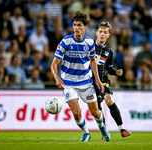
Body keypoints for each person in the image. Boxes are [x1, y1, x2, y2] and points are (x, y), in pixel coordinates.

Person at [51, 11, 110, 142]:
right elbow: (54, 64)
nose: (76, 28)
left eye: (79, 25)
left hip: (86, 82)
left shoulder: (89, 43)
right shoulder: (65, 42)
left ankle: (102, 126)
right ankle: (86, 132)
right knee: (77, 113)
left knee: (95, 112)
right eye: (74, 25)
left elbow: (93, 61)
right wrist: (57, 78)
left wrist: (98, 80)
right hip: (69, 83)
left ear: (85, 26)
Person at [93, 21, 131, 138]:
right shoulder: (89, 47)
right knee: (98, 108)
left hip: (103, 80)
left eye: (105, 32)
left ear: (108, 35)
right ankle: (104, 132)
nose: (102, 34)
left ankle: (122, 129)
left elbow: (108, 67)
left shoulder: (109, 51)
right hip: (90, 82)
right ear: (96, 33)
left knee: (109, 100)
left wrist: (115, 72)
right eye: (100, 32)